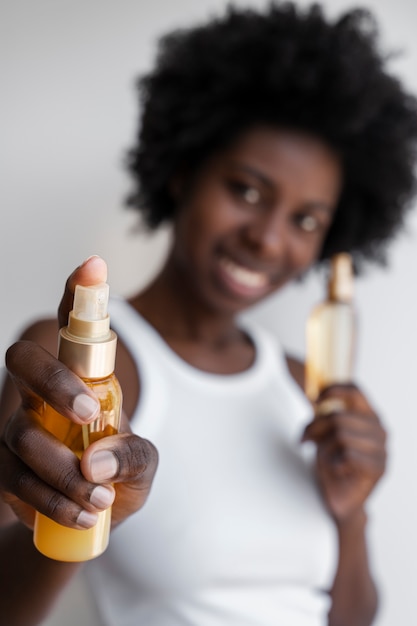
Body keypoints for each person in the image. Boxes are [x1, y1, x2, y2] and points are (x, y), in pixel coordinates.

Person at [1, 3, 416, 625]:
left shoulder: (307, 387)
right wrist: (81, 514)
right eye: (247, 190)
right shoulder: (100, 366)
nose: (269, 240)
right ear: (183, 172)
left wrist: (351, 511)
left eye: (305, 220)